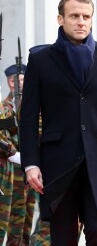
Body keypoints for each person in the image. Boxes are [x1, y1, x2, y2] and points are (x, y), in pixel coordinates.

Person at [19, 0, 97, 246]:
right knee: (63, 237)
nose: (81, 21)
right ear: (61, 19)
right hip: (58, 161)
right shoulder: (40, 59)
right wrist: (30, 164)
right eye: (74, 16)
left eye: (86, 16)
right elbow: (28, 117)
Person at [3, 64, 39, 246]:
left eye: (23, 80)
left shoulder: (35, 104)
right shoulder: (4, 108)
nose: (19, 84)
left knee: (28, 212)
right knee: (14, 215)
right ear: (9, 83)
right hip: (14, 169)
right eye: (15, 80)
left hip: (32, 167)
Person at [0, 102, 18, 244]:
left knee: (3, 223)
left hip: (6, 167)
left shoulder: (3, 106)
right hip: (5, 162)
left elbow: (10, 131)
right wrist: (11, 151)